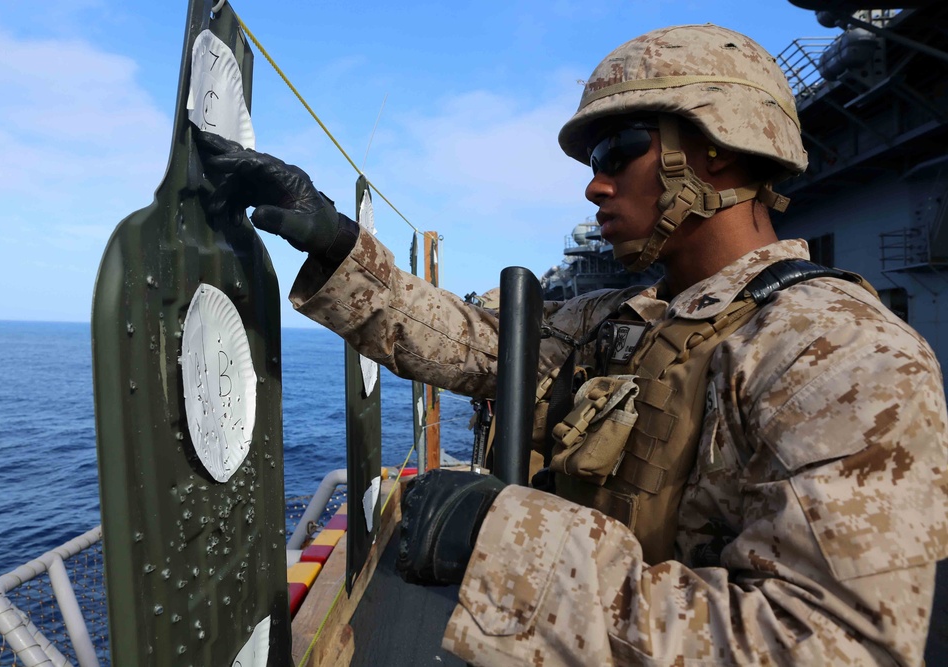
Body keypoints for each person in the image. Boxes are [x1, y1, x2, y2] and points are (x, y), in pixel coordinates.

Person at [198, 23, 948, 666]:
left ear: (717, 148)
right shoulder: (620, 317)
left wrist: (501, 537)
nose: (594, 187)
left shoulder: (840, 352)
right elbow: (470, 344)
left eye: (618, 150)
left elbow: (827, 643)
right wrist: (331, 236)